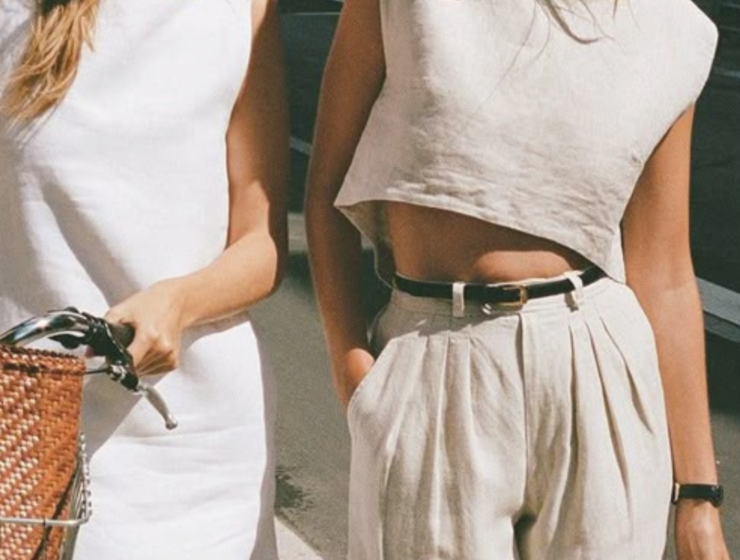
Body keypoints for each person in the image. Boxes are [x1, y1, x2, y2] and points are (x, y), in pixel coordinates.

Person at [305, 0, 731, 558]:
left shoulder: (671, 28)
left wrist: (698, 496)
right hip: (436, 357)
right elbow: (327, 188)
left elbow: (664, 271)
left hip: (601, 371)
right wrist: (353, 373)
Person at [0, 0, 288, 558]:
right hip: (29, 431)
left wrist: (178, 303)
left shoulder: (244, 10)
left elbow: (262, 243)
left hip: (195, 448)